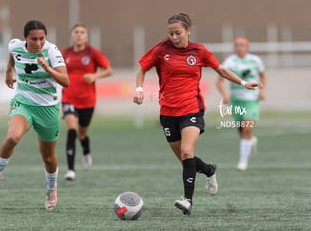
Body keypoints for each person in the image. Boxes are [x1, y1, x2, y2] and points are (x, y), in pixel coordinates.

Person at [133, 13, 262, 215]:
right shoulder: (161, 49)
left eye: (177, 33)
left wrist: (244, 84)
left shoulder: (199, 51)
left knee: (186, 152)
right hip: (167, 112)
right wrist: (139, 89)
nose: (174, 37)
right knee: (186, 160)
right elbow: (142, 69)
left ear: (188, 31)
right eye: (170, 34)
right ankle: (209, 170)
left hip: (192, 109)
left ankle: (187, 201)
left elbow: (221, 70)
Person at [0, 20, 69, 211]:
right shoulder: (15, 45)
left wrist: (48, 68)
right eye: (33, 39)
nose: (38, 43)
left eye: (42, 38)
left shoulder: (52, 51)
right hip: (24, 102)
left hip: (48, 108)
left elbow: (65, 80)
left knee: (48, 157)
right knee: (12, 137)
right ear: (25, 38)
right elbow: (13, 57)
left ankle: (51, 189)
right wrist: (7, 72)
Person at [61, 24, 113, 180]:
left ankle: (86, 151)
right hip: (68, 98)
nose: (79, 35)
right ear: (71, 36)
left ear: (86, 36)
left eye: (82, 32)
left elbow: (109, 70)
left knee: (82, 134)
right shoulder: (65, 54)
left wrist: (94, 76)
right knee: (72, 130)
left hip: (87, 100)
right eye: (76, 32)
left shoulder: (92, 53)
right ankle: (70, 169)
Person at [216, 37, 266, 171]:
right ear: (234, 48)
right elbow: (219, 80)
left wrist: (262, 91)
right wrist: (225, 95)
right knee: (242, 131)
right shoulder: (230, 61)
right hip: (237, 101)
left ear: (247, 47)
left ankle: (243, 162)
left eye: (242, 45)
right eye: (237, 45)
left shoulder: (255, 60)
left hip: (251, 100)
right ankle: (251, 141)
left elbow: (263, 76)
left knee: (247, 128)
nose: (240, 48)